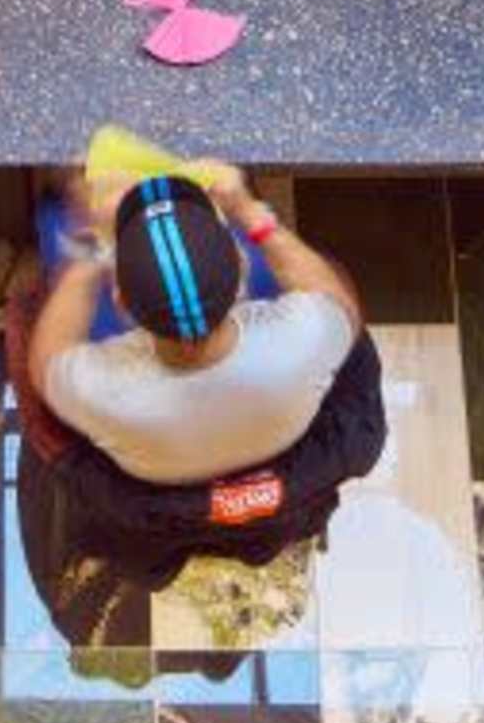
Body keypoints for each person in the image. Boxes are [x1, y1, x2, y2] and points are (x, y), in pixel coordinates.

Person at [27, 167, 366, 487]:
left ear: (121, 304)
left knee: (51, 230)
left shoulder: (99, 390)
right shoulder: (303, 340)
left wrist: (92, 242)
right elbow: (338, 301)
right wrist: (247, 210)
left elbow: (46, 363)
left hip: (157, 493)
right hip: (280, 465)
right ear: (242, 272)